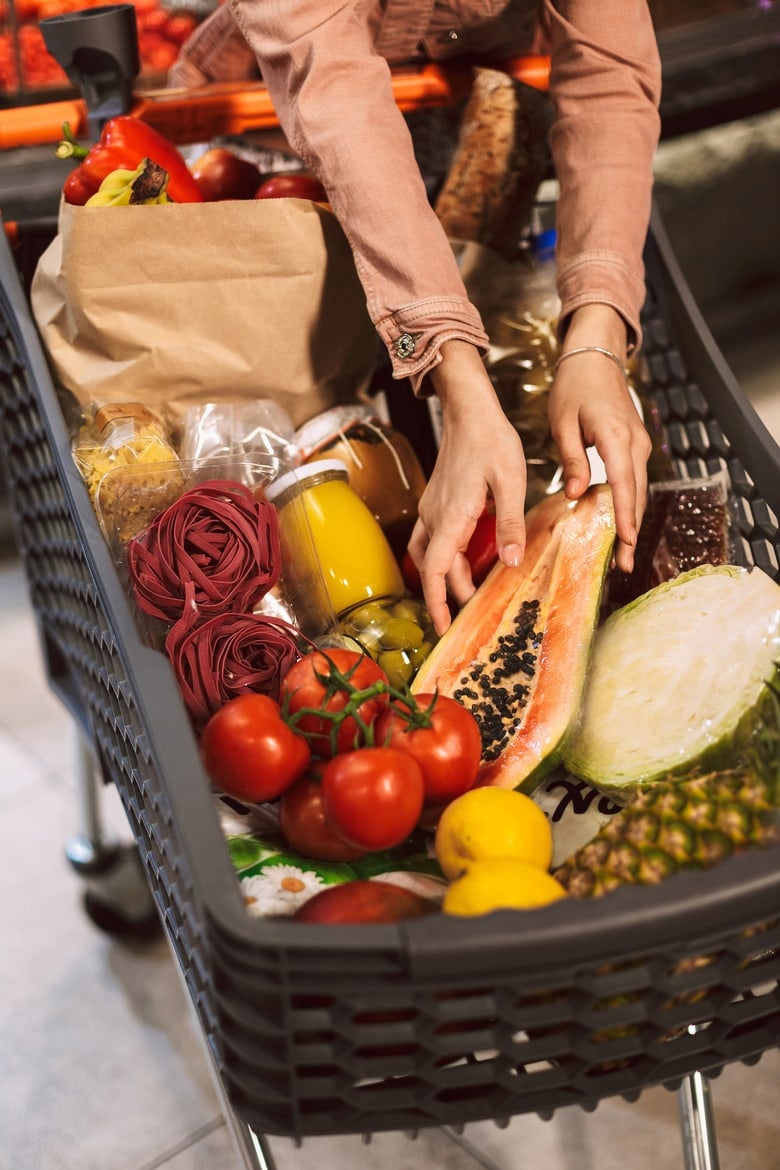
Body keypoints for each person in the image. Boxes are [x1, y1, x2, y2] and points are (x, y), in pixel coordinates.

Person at [170, 1, 662, 635]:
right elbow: (339, 96)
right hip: (283, 142)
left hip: (477, 107)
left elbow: (608, 74)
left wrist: (596, 335)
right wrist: (460, 384)